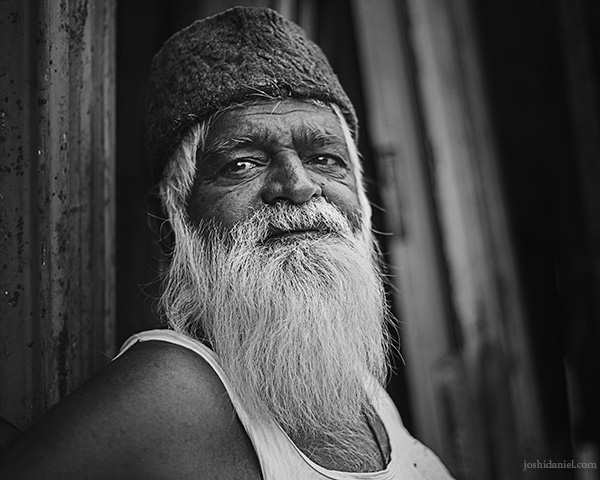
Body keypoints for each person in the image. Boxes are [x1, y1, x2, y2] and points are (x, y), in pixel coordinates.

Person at [0, 6, 454, 479]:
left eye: (324, 158)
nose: (298, 186)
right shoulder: (177, 393)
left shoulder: (360, 390)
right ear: (173, 223)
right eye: (242, 163)